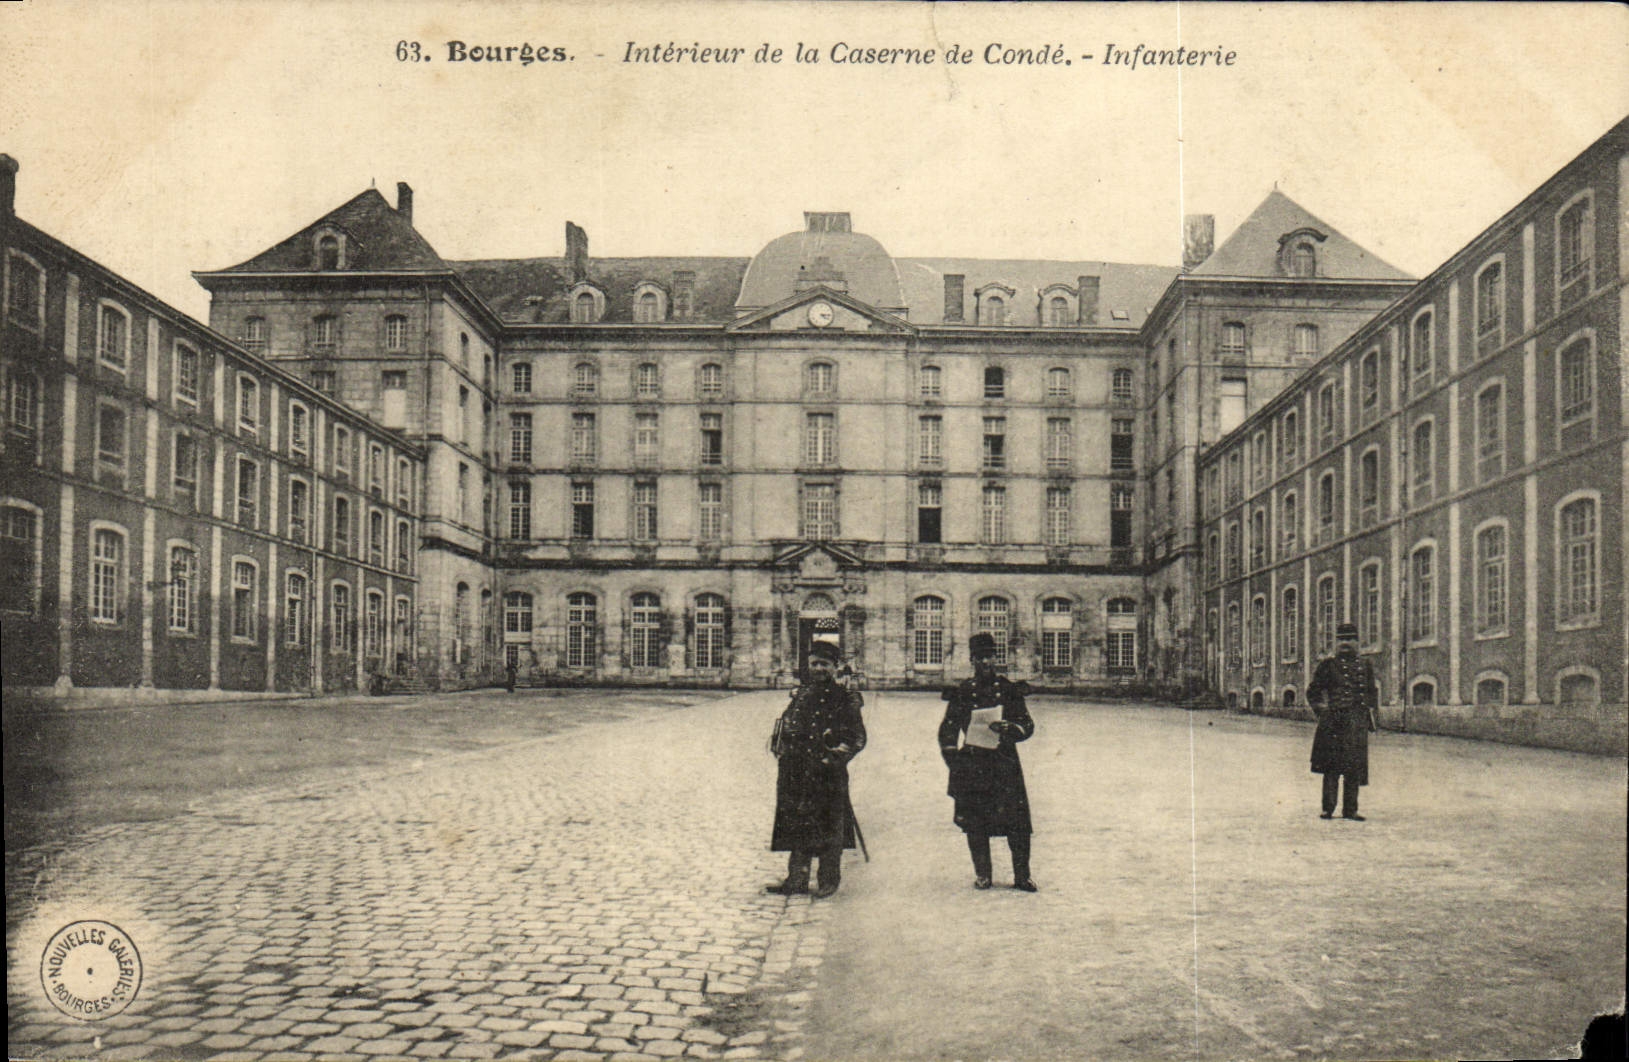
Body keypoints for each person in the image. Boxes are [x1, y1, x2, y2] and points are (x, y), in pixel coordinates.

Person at [766, 640, 867, 899]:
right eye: (814, 664)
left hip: (827, 772)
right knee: (798, 824)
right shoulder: (802, 695)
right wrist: (781, 744)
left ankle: (828, 879)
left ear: (835, 667)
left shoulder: (845, 698)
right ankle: (797, 878)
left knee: (829, 825)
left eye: (824, 664)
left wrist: (834, 759)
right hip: (797, 770)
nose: (818, 668)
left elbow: (857, 738)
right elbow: (787, 724)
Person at [938, 632, 1037, 891]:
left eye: (990, 657)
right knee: (976, 822)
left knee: (1017, 822)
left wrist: (1010, 728)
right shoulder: (963, 692)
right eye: (980, 658)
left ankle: (1021, 876)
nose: (986, 663)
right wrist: (955, 761)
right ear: (973, 660)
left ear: (996, 658)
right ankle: (983, 874)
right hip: (973, 765)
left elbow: (1027, 724)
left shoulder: (1008, 690)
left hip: (1004, 764)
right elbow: (947, 730)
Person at [1306, 621, 1379, 820]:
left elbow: (1372, 693)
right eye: (1342, 640)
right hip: (1333, 723)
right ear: (1336, 643)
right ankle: (1328, 808)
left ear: (1357, 642)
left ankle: (1350, 810)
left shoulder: (1365, 666)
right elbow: (1313, 691)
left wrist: (1373, 719)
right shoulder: (1328, 665)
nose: (1346, 643)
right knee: (1331, 767)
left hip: (1356, 723)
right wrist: (1322, 710)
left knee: (1353, 767)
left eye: (1350, 639)